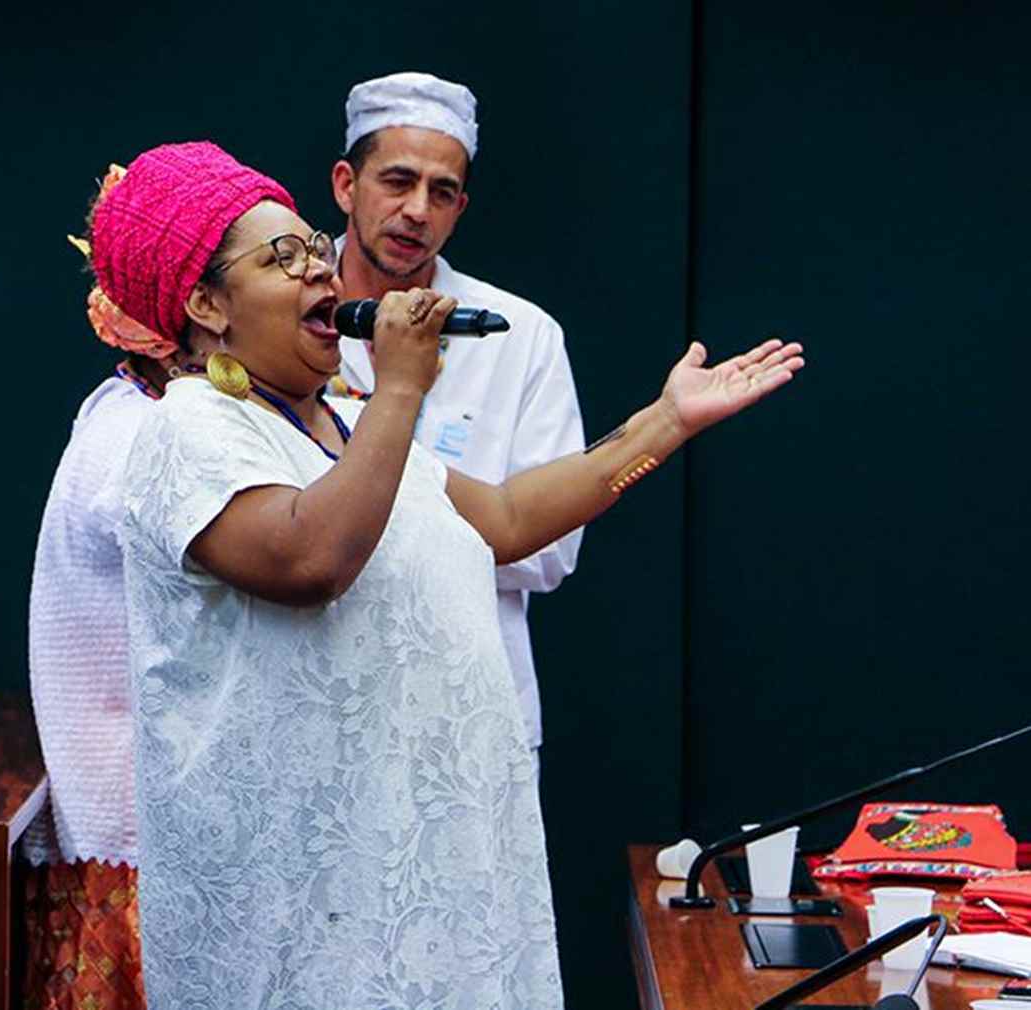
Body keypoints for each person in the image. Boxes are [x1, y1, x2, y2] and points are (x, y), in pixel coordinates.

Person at [86, 140, 802, 1010]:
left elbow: (504, 518)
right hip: (304, 911)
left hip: (425, 873)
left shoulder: (341, 425)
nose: (319, 270)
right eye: (283, 258)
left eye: (314, 248)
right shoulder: (185, 429)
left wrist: (666, 421)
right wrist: (400, 388)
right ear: (206, 303)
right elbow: (310, 559)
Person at [331, 72, 583, 761]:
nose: (417, 210)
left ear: (461, 207)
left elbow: (551, 548)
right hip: (323, 696)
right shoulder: (286, 317)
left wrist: (356, 505)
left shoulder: (520, 334)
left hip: (472, 713)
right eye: (397, 181)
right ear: (346, 185)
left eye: (441, 192)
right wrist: (483, 515)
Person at [24, 167, 200, 1010]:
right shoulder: (141, 439)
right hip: (137, 839)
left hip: (148, 830)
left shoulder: (133, 410)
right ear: (201, 310)